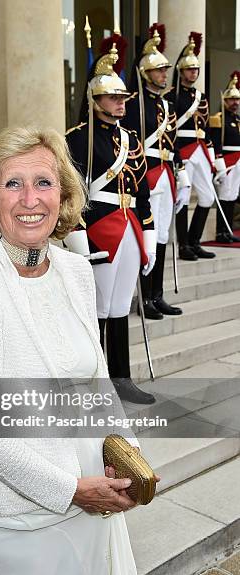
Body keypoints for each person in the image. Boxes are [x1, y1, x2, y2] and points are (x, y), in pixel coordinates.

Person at [0, 126, 143, 575]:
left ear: (65, 196)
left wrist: (126, 451)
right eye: (13, 184)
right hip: (26, 516)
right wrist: (71, 491)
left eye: (44, 183)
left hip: (96, 493)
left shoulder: (75, 270)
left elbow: (93, 378)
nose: (31, 199)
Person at [66, 37, 157, 404]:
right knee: (98, 311)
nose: (121, 103)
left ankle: (122, 378)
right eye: (113, 97)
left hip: (130, 228)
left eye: (123, 98)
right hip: (100, 230)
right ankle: (97, 383)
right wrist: (78, 237)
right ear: (95, 99)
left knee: (120, 308)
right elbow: (69, 194)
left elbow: (143, 189)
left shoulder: (130, 139)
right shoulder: (77, 140)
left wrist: (148, 230)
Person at [123, 23, 186, 320]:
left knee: (161, 235)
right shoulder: (134, 105)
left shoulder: (166, 104)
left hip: (165, 173)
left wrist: (180, 172)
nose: (164, 74)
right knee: (146, 234)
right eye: (159, 70)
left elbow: (171, 143)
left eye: (165, 70)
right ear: (146, 74)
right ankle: (143, 297)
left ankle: (156, 294)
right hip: (146, 173)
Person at [166, 32, 225, 260]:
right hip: (184, 150)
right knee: (182, 197)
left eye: (196, 69)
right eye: (190, 69)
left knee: (208, 197)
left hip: (201, 150)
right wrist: (176, 155)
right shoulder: (172, 96)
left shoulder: (201, 97)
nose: (194, 73)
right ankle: (183, 246)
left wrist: (215, 161)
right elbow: (169, 129)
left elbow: (207, 130)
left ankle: (194, 240)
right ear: (181, 72)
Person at [210, 72, 240, 243]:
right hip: (226, 161)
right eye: (232, 100)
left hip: (237, 161)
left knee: (232, 196)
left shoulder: (237, 119)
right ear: (225, 101)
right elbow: (215, 143)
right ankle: (221, 232)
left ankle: (228, 230)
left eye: (237, 100)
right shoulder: (218, 118)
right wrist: (218, 163)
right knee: (224, 196)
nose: (235, 103)